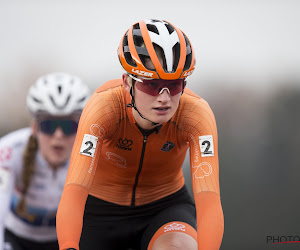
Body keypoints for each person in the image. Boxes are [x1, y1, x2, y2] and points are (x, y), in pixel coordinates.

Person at [56, 19, 224, 250]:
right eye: (151, 84)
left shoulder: (195, 114)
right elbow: (75, 189)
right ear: (127, 82)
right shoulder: (104, 107)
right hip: (100, 212)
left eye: (174, 85)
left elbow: (209, 200)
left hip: (164, 208)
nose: (164, 97)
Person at [0, 72, 90, 250]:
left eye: (68, 126)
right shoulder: (10, 150)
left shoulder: (90, 154)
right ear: (35, 128)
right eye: (48, 126)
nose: (58, 135)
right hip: (16, 237)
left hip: (64, 239)